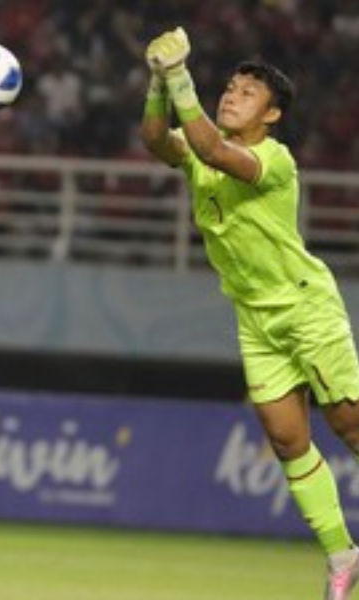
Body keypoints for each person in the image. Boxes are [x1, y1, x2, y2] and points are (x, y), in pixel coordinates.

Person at [142, 27, 359, 600]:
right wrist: (159, 84)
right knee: (287, 440)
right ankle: (342, 555)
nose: (232, 96)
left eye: (248, 93)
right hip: (255, 321)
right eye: (230, 88)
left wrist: (180, 76)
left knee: (349, 426)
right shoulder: (200, 151)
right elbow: (157, 140)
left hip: (306, 309)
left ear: (273, 115)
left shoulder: (274, 159)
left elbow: (212, 150)